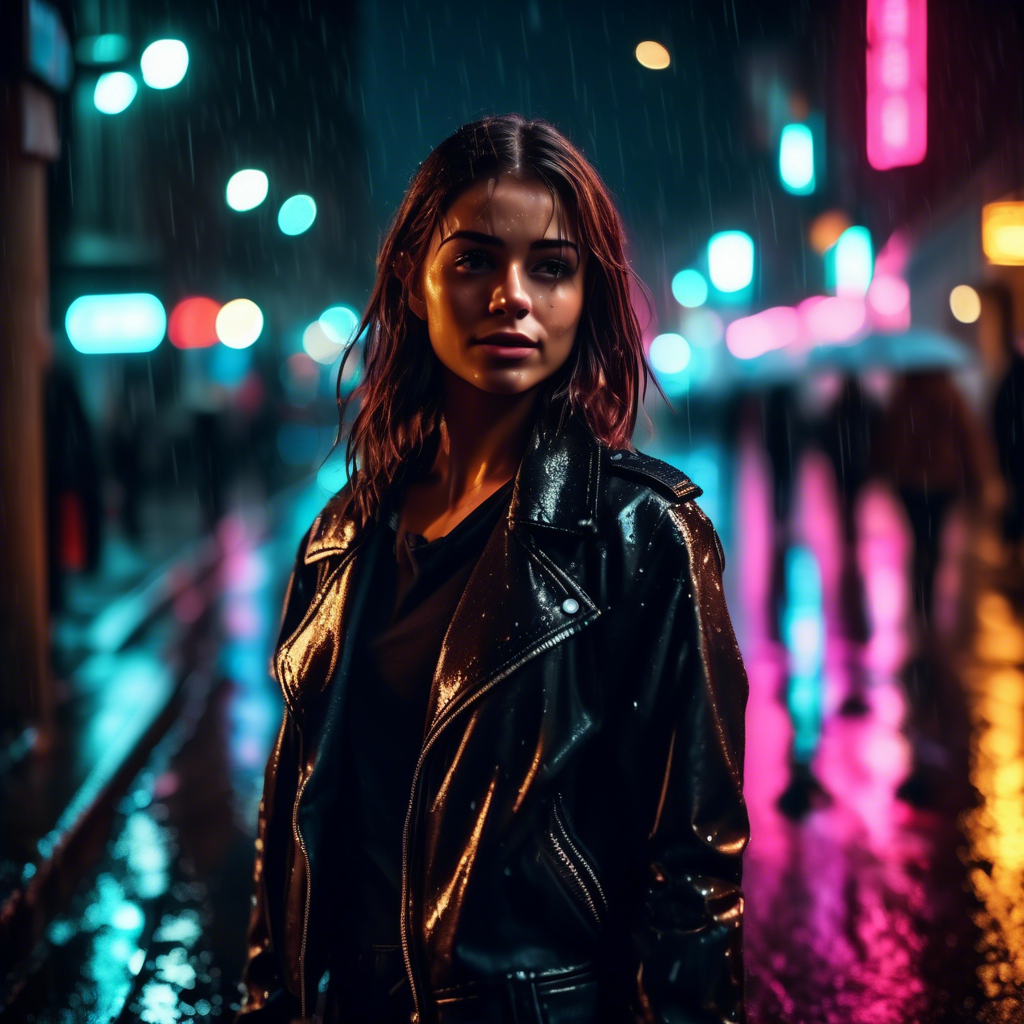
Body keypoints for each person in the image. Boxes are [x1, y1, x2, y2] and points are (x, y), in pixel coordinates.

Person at [236, 115, 749, 1024]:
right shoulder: (342, 536)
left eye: (551, 267)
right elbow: (289, 836)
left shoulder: (641, 533)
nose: (513, 297)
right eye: (474, 260)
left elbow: (693, 871)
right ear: (414, 279)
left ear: (587, 293)